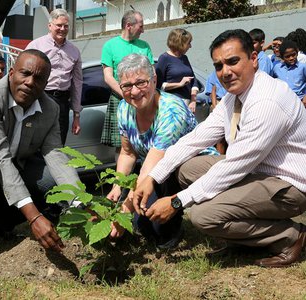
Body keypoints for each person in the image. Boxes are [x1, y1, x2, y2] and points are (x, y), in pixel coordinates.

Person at [132, 29, 306, 268]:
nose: (225, 72)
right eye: (219, 65)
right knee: (187, 169)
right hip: (258, 173)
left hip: (289, 185)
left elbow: (234, 165)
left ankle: (291, 236)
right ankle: (244, 235)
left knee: (204, 216)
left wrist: (176, 202)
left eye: (233, 61)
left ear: (254, 59)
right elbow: (195, 139)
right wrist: (152, 176)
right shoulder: (234, 97)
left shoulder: (267, 101)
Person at [0, 49, 81, 278]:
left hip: (1, 168)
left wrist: (82, 201)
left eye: (39, 78)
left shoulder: (50, 109)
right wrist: (33, 216)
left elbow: (55, 154)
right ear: (11, 72)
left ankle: (0, 220)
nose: (30, 82)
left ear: (46, 83)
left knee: (52, 181)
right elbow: (0, 157)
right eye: (25, 74)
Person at [108, 54, 218, 249]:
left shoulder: (171, 111)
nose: (134, 91)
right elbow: (128, 153)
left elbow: (150, 168)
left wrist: (124, 210)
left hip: (187, 170)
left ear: (154, 80)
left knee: (157, 226)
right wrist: (117, 185)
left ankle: (175, 225)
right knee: (141, 222)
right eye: (126, 85)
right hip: (157, 172)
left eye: (141, 82)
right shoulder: (124, 109)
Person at [100, 10, 153, 158]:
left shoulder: (145, 46)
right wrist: (127, 94)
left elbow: (152, 74)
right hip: (120, 99)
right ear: (129, 25)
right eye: (141, 26)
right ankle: (123, 180)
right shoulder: (110, 46)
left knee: (148, 141)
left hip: (144, 100)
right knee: (123, 146)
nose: (143, 30)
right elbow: (108, 77)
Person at [25, 8, 82, 145]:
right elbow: (24, 74)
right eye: (59, 25)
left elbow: (77, 83)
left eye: (66, 26)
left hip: (62, 102)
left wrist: (76, 114)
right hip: (40, 98)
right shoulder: (36, 46)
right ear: (50, 26)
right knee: (35, 142)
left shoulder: (74, 51)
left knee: (58, 143)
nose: (62, 29)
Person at [156, 28, 200, 113]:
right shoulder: (164, 58)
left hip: (187, 104)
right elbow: (157, 85)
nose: (190, 46)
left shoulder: (184, 58)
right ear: (180, 43)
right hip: (171, 105)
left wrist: (193, 100)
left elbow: (193, 80)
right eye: (188, 43)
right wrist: (179, 84)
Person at [272, 39, 306, 107]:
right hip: (283, 103)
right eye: (287, 56)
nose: (291, 58)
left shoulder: (303, 67)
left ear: (297, 52)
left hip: (300, 102)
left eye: (293, 55)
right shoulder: (277, 68)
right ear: (282, 57)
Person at [205, 70, 227, 154]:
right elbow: (212, 91)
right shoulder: (214, 74)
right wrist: (215, 106)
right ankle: (219, 156)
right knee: (220, 135)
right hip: (218, 103)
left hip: (229, 102)